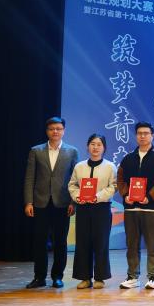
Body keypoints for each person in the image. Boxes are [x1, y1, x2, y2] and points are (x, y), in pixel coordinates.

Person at [23, 116, 78, 289]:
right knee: (39, 242)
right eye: (52, 129)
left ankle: (57, 276)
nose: (55, 131)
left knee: (60, 242)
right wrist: (28, 202)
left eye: (58, 129)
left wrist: (73, 202)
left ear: (64, 131)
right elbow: (29, 178)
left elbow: (75, 179)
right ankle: (39, 277)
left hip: (63, 203)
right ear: (47, 131)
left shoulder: (72, 151)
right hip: (40, 202)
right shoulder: (36, 151)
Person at [116, 122, 154, 290]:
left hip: (151, 208)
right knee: (132, 245)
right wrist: (125, 195)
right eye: (139, 133)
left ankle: (153, 277)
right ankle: (132, 277)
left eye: (146, 133)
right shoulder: (128, 158)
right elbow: (120, 180)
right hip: (131, 208)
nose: (142, 136)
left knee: (152, 245)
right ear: (136, 135)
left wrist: (149, 196)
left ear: (152, 136)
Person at [67, 134, 115, 289]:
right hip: (83, 208)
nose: (95, 147)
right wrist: (77, 196)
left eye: (99, 144)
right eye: (92, 144)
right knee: (83, 243)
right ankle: (85, 278)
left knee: (101, 243)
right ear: (87, 146)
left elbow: (113, 186)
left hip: (101, 208)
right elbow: (72, 185)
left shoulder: (110, 166)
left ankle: (100, 278)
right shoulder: (79, 166)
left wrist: (97, 197)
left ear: (104, 148)